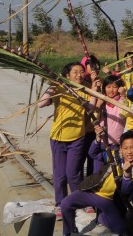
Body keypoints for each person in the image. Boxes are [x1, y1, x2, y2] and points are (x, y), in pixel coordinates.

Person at [60, 130, 133, 236]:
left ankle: (102, 218)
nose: (129, 152)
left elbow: (126, 191)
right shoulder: (114, 154)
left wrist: (127, 174)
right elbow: (94, 154)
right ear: (121, 149)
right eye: (126, 148)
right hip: (93, 191)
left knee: (120, 228)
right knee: (65, 204)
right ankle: (70, 232)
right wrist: (98, 139)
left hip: (109, 200)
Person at [39, 62, 95, 216]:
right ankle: (60, 203)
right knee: (60, 175)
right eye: (75, 72)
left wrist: (94, 90)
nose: (79, 75)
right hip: (58, 138)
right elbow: (41, 103)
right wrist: (52, 86)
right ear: (67, 75)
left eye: (82, 71)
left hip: (77, 138)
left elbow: (91, 109)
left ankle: (80, 201)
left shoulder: (85, 89)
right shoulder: (59, 88)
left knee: (73, 173)